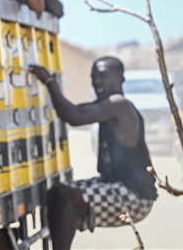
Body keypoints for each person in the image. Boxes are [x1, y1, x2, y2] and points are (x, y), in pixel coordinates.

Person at [30, 57, 157, 249]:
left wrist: (48, 82)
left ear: (121, 79)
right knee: (57, 194)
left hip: (134, 195)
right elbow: (73, 111)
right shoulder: (106, 105)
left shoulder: (119, 104)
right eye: (94, 77)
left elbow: (73, 116)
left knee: (65, 195)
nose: (97, 81)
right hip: (117, 185)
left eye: (104, 76)